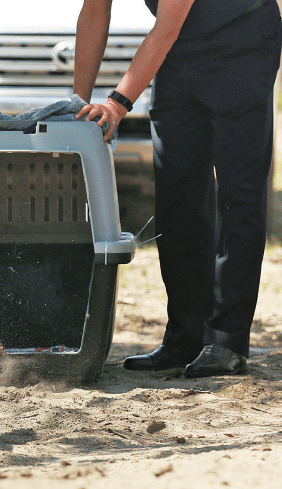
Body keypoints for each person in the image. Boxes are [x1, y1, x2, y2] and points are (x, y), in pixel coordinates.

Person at [73, 0, 281, 377]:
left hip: (242, 41)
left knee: (238, 195)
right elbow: (94, 12)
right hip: (179, 47)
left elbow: (166, 27)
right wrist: (76, 103)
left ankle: (226, 339)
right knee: (177, 195)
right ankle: (185, 336)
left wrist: (117, 104)